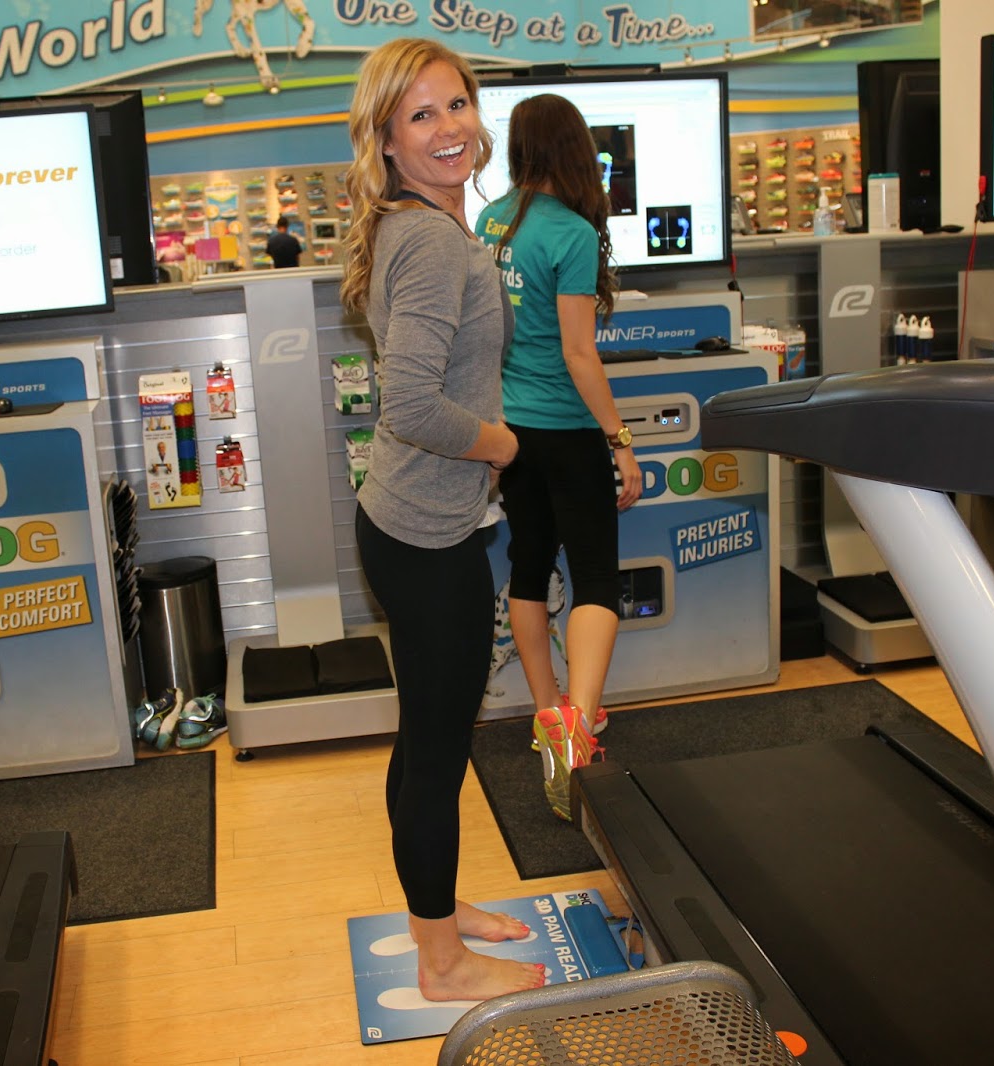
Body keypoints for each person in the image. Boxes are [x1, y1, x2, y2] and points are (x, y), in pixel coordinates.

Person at [339, 37, 544, 1003]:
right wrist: (502, 446)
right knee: (437, 747)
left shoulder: (429, 225)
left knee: (427, 737)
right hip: (425, 535)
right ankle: (443, 962)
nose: (449, 127)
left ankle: (436, 909)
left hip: (414, 521)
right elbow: (412, 405)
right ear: (386, 140)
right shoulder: (427, 240)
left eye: (457, 104)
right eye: (421, 115)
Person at [475, 94, 642, 822]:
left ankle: (548, 714)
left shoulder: (491, 222)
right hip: (568, 431)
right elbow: (579, 354)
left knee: (530, 565)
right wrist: (620, 440)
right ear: (575, 149)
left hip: (512, 431)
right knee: (596, 576)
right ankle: (580, 724)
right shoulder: (570, 233)